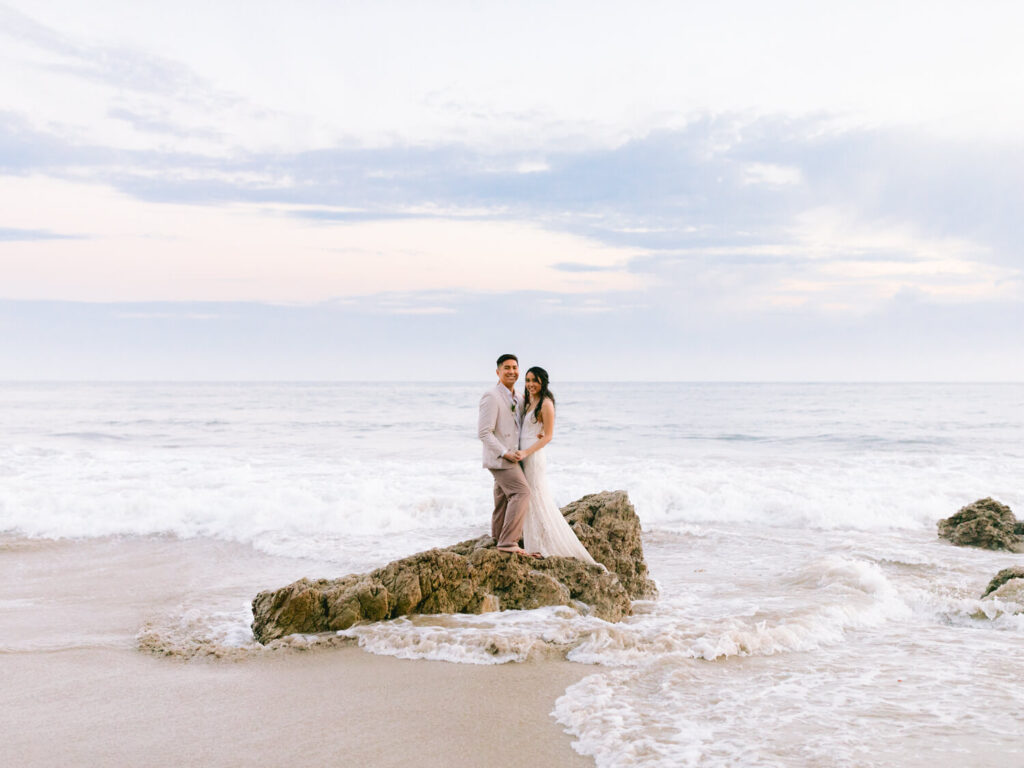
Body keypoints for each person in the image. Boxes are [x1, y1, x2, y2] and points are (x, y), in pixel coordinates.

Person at [518, 366, 599, 564]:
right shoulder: (529, 400)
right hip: (523, 455)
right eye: (528, 380)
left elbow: (548, 436)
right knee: (529, 500)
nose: (530, 384)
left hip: (534, 457)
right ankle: (533, 542)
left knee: (537, 498)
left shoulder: (546, 403)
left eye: (534, 381)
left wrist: (527, 452)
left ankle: (541, 545)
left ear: (543, 382)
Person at [477, 354, 539, 557]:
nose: (512, 371)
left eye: (515, 367)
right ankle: (508, 542)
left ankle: (497, 537)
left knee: (503, 498)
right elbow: (484, 432)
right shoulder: (491, 396)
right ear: (498, 372)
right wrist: (504, 453)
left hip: (517, 457)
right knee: (521, 493)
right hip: (500, 458)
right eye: (507, 368)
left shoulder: (520, 397)